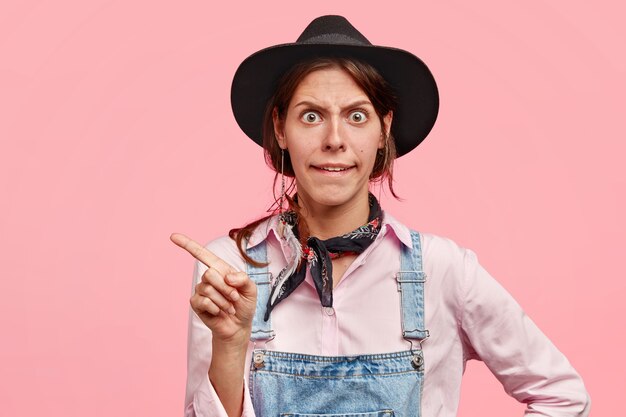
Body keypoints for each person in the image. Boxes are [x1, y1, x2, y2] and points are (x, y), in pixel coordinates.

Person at [171, 15, 590, 417]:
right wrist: (229, 344)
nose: (334, 140)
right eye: (311, 116)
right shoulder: (228, 267)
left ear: (383, 128)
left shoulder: (443, 270)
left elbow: (562, 396)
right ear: (281, 128)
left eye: (357, 116)